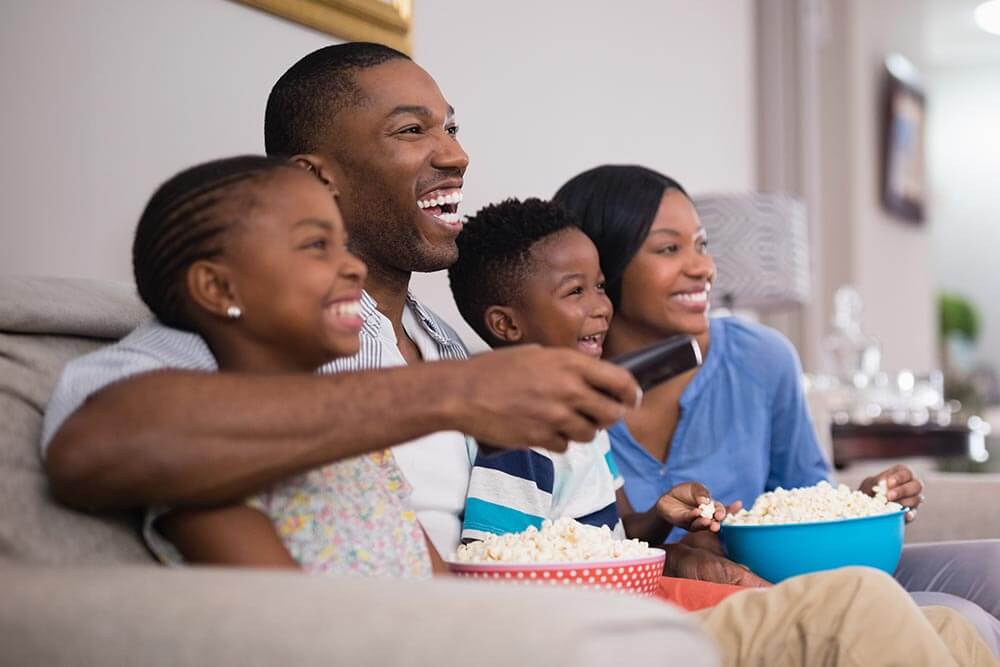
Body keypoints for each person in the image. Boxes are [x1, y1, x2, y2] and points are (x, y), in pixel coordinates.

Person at [41, 44, 640, 560]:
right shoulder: (242, 335)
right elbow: (93, 444)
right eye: (412, 130)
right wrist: (452, 394)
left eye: (450, 128)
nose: (456, 155)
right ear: (317, 177)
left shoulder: (441, 338)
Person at [553, 163, 1000, 645]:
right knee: (959, 621)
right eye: (669, 249)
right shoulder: (553, 392)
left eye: (702, 245)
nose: (703, 267)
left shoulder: (761, 358)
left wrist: (861, 506)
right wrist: (675, 550)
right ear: (602, 269)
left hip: (800, 574)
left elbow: (810, 500)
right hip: (714, 605)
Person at [123, 154, 451, 578]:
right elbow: (286, 620)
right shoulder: (204, 464)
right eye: (317, 246)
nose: (353, 267)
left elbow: (441, 585)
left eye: (343, 245)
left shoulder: (353, 431)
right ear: (219, 288)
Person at [448, 197, 728, 545]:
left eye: (599, 286)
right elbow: (492, 558)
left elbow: (623, 530)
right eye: (575, 291)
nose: (601, 307)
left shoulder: (585, 421)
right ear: (506, 324)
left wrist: (661, 514)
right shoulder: (518, 436)